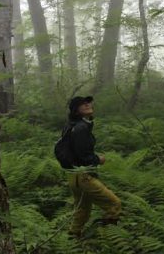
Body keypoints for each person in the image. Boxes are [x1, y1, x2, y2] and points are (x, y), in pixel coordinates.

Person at [65, 96, 121, 237]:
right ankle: (110, 237)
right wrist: (98, 159)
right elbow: (82, 155)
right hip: (83, 176)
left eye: (88, 102)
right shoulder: (81, 128)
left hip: (73, 175)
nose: (87, 104)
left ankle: (72, 239)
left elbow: (75, 151)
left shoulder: (73, 126)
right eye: (82, 104)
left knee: (82, 210)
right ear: (76, 110)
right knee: (114, 204)